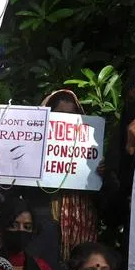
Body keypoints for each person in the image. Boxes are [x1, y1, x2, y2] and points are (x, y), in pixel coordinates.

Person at [35, 89, 100, 260]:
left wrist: (104, 176)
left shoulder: (90, 152)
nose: (66, 121)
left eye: (72, 116)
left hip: (82, 237)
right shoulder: (33, 153)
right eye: (60, 115)